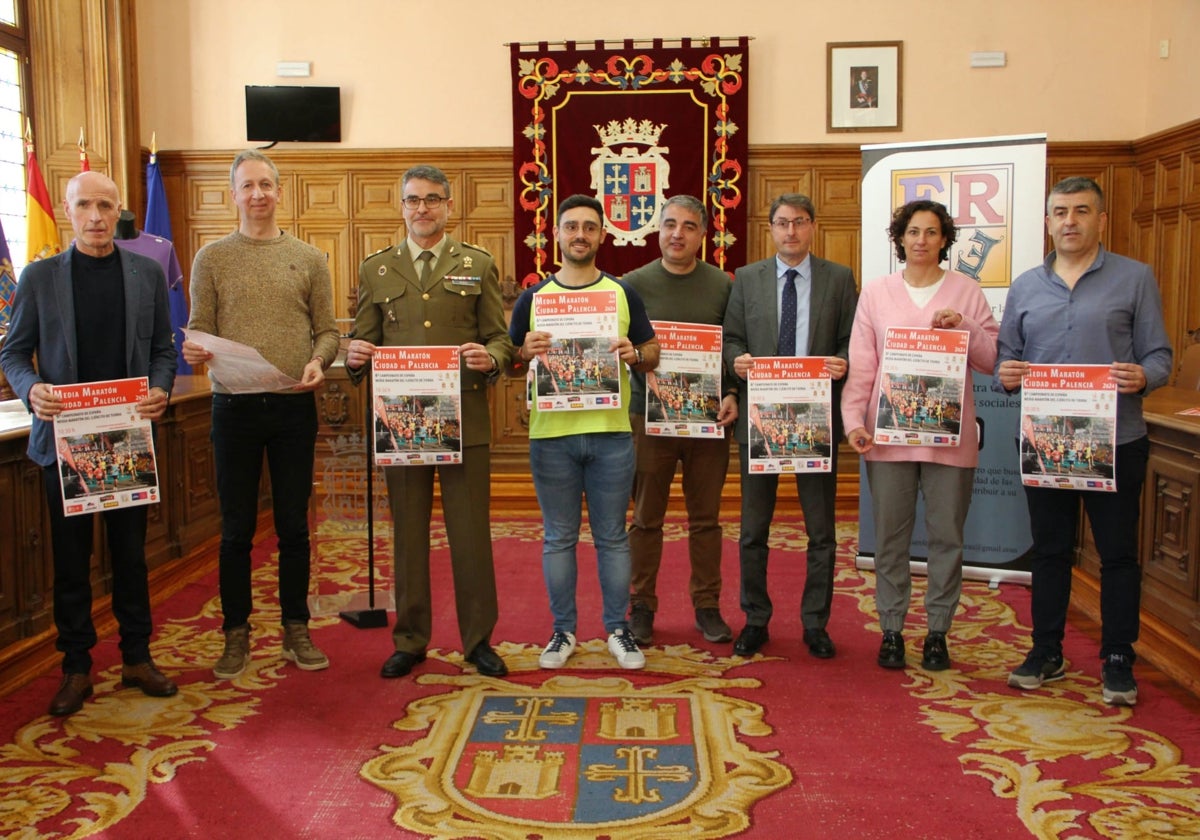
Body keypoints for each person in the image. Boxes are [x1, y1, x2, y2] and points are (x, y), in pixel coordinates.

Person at [1, 171, 178, 716]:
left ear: (119, 210)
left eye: (105, 205)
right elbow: (13, 353)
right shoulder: (39, 277)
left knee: (131, 556)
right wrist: (33, 392)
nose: (96, 217)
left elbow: (163, 352)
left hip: (127, 438)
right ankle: (77, 667)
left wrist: (161, 389)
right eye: (85, 206)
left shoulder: (146, 274)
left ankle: (137, 658)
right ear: (67, 211)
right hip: (65, 444)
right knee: (72, 563)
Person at [995, 176, 1172, 706]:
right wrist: (1008, 374)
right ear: (1047, 221)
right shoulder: (1026, 284)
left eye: (1080, 211)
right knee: (1049, 551)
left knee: (1116, 555)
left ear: (1101, 219)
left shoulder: (1134, 278)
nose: (1068, 221)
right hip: (1046, 439)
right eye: (1059, 212)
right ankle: (1045, 650)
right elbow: (1008, 356)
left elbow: (1160, 355)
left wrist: (1143, 376)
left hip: (1117, 439)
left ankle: (1118, 657)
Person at [345, 164, 513, 679]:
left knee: (470, 533)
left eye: (433, 199)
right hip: (399, 422)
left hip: (464, 418)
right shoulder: (377, 269)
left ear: (448, 206)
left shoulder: (477, 264)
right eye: (413, 200)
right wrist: (354, 357)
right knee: (409, 533)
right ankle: (411, 638)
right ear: (401, 206)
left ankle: (478, 639)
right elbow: (364, 339)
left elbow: (500, 338)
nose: (423, 208)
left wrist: (494, 359)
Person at [182, 150, 339, 680]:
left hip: (295, 405)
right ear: (233, 194)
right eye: (247, 186)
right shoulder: (212, 258)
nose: (258, 195)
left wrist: (320, 360)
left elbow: (328, 331)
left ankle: (296, 627)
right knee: (236, 529)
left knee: (294, 525)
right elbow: (198, 326)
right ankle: (236, 633)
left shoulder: (310, 258)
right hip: (234, 409)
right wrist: (194, 351)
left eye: (266, 185)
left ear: (280, 192)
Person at [842, 200, 999, 671]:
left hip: (950, 442)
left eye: (932, 232)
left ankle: (937, 632)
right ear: (900, 238)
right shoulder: (876, 293)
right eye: (913, 231)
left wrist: (965, 326)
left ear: (944, 239)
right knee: (890, 539)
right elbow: (863, 365)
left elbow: (991, 361)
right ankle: (891, 629)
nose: (922, 240)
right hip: (888, 441)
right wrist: (854, 420)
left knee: (946, 537)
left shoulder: (967, 291)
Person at [509, 194, 660, 670]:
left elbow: (651, 350)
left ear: (602, 235)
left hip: (612, 434)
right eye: (571, 226)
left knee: (613, 537)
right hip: (551, 436)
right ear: (557, 234)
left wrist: (634, 355)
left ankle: (618, 630)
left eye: (589, 227)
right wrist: (523, 352)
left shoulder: (621, 292)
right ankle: (562, 631)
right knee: (559, 537)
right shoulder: (534, 298)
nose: (580, 234)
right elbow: (512, 360)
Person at [723, 193, 858, 659]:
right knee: (753, 529)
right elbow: (732, 338)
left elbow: (850, 339)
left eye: (799, 222)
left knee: (820, 530)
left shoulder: (839, 280)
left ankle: (815, 624)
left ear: (812, 226)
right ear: (771, 228)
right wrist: (734, 362)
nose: (791, 232)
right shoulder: (747, 278)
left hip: (814, 418)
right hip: (760, 418)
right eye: (782, 223)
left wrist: (844, 362)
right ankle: (755, 619)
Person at [622, 195, 737, 645]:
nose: (677, 234)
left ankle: (707, 605)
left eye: (688, 226)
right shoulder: (632, 284)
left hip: (708, 421)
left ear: (702, 234)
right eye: (669, 224)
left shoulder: (723, 286)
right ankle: (641, 605)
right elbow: (618, 348)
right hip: (648, 421)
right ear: (657, 230)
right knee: (646, 517)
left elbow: (734, 345)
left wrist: (731, 391)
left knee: (705, 518)